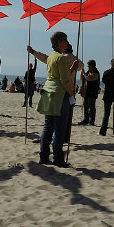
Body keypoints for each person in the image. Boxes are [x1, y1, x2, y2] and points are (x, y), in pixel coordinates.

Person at [28, 31, 82, 168]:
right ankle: (58, 158)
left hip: (48, 91)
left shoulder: (52, 56)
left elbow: (58, 74)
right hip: (59, 94)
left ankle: (43, 155)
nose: (67, 43)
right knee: (59, 128)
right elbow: (64, 80)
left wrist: (71, 68)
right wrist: (71, 96)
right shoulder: (61, 58)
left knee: (48, 126)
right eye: (65, 40)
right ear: (59, 42)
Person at [78, 60, 99, 126]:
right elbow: (82, 78)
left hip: (92, 93)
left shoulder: (95, 73)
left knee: (91, 108)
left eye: (88, 65)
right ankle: (85, 120)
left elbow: (89, 78)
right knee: (85, 107)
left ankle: (91, 121)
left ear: (91, 65)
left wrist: (84, 74)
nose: (88, 67)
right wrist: (82, 72)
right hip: (86, 93)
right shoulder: (88, 72)